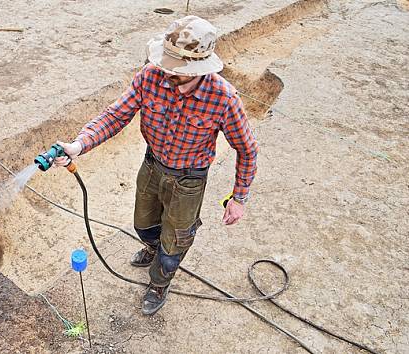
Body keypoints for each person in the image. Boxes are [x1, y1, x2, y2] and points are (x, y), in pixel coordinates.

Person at [54, 16, 258, 315]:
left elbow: (247, 149)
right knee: (144, 224)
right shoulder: (150, 76)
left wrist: (239, 198)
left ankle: (160, 282)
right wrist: (78, 145)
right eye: (165, 63)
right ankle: (151, 246)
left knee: (174, 243)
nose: (165, 72)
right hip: (153, 165)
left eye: (176, 70)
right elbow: (115, 115)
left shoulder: (223, 98)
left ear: (198, 69)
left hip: (189, 179)